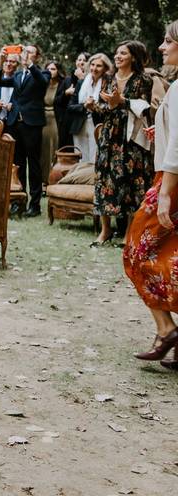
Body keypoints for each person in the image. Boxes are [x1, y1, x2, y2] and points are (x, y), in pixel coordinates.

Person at [123, 20, 178, 371]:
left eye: (168, 41)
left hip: (172, 181)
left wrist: (166, 194)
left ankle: (166, 330)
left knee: (136, 249)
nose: (162, 47)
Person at [93, 41, 154, 245]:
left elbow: (144, 106)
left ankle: (129, 232)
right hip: (109, 134)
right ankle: (105, 230)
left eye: (123, 53)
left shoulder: (143, 80)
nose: (117, 56)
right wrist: (100, 105)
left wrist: (122, 102)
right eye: (117, 53)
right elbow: (103, 107)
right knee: (104, 177)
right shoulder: (108, 79)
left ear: (133, 58)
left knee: (131, 180)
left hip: (130, 137)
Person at [0, 44, 49, 216]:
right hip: (16, 123)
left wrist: (29, 64)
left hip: (32, 124)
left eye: (30, 52)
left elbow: (43, 83)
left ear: (37, 56)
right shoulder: (17, 75)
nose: (26, 54)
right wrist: (0, 61)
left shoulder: (42, 73)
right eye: (25, 52)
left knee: (34, 164)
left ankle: (35, 205)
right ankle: (20, 201)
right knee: (19, 164)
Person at [54, 54, 86, 149]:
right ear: (76, 62)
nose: (81, 62)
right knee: (66, 151)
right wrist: (66, 93)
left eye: (84, 60)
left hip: (82, 121)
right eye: (79, 60)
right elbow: (57, 100)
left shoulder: (91, 80)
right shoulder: (67, 80)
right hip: (67, 122)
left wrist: (82, 79)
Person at [40, 60, 65, 180]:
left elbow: (61, 102)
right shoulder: (42, 84)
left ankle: (54, 178)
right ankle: (43, 179)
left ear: (58, 71)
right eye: (48, 69)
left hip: (55, 119)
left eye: (53, 69)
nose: (50, 71)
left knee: (54, 148)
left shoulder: (63, 84)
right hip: (42, 119)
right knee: (43, 150)